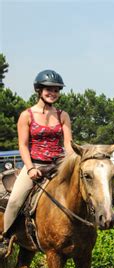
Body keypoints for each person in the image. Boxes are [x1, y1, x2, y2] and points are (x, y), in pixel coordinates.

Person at [0, 69, 73, 256]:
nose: (53, 93)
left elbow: (68, 144)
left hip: (59, 166)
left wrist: (73, 162)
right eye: (49, 89)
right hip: (35, 165)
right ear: (39, 90)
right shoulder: (26, 116)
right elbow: (23, 146)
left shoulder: (62, 115)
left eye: (56, 90)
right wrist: (31, 168)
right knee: (15, 200)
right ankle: (5, 237)